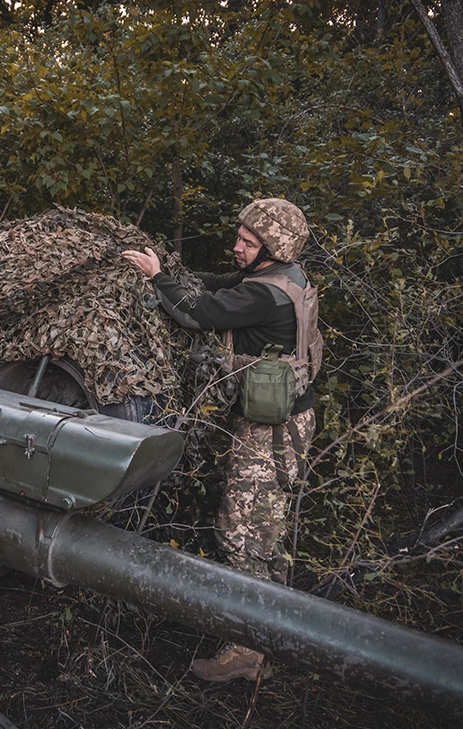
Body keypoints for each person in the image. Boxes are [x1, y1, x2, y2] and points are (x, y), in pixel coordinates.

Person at [122, 197, 322, 683]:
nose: (237, 247)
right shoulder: (284, 276)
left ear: (272, 248)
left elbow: (199, 313)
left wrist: (157, 279)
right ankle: (275, 633)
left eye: (248, 242)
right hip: (287, 420)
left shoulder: (265, 295)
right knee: (267, 533)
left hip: (271, 432)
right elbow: (218, 284)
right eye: (240, 237)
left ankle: (247, 653)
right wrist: (174, 271)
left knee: (241, 534)